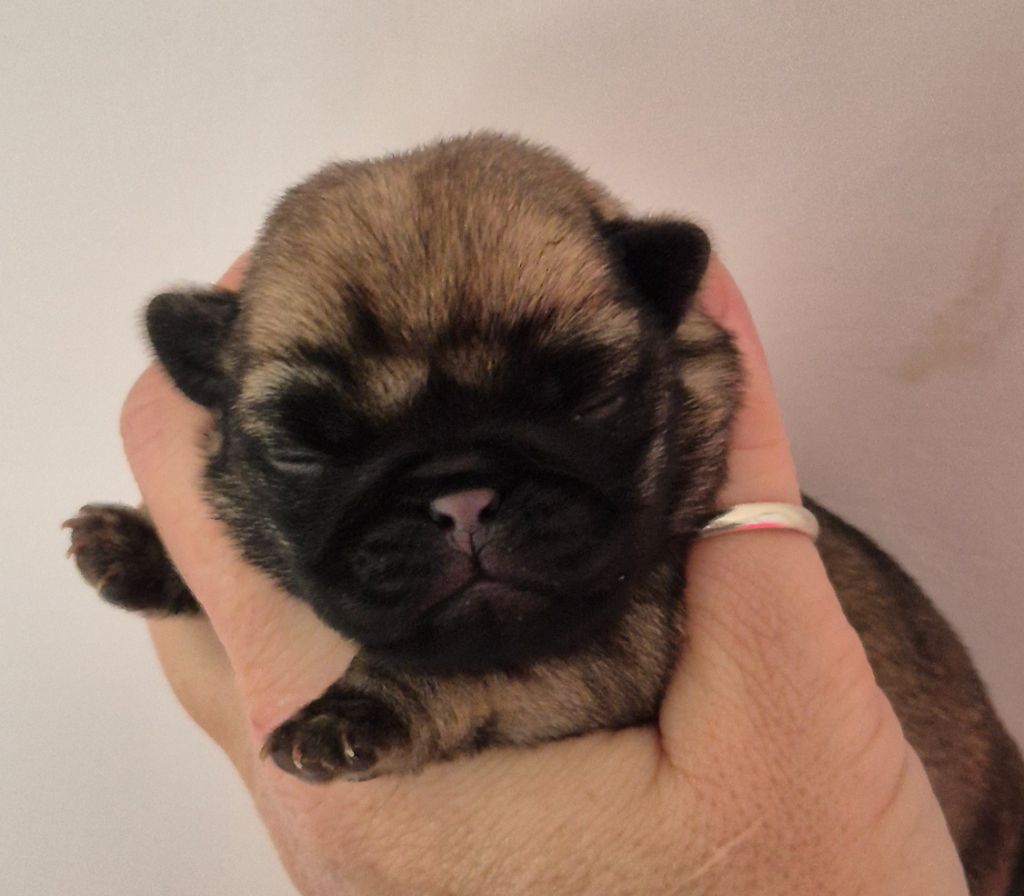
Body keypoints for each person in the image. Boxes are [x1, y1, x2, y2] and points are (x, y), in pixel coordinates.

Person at [121, 254, 969, 895]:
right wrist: (189, 573)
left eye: (578, 402)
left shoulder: (705, 551)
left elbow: (627, 659)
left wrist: (405, 703)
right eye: (320, 445)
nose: (464, 508)